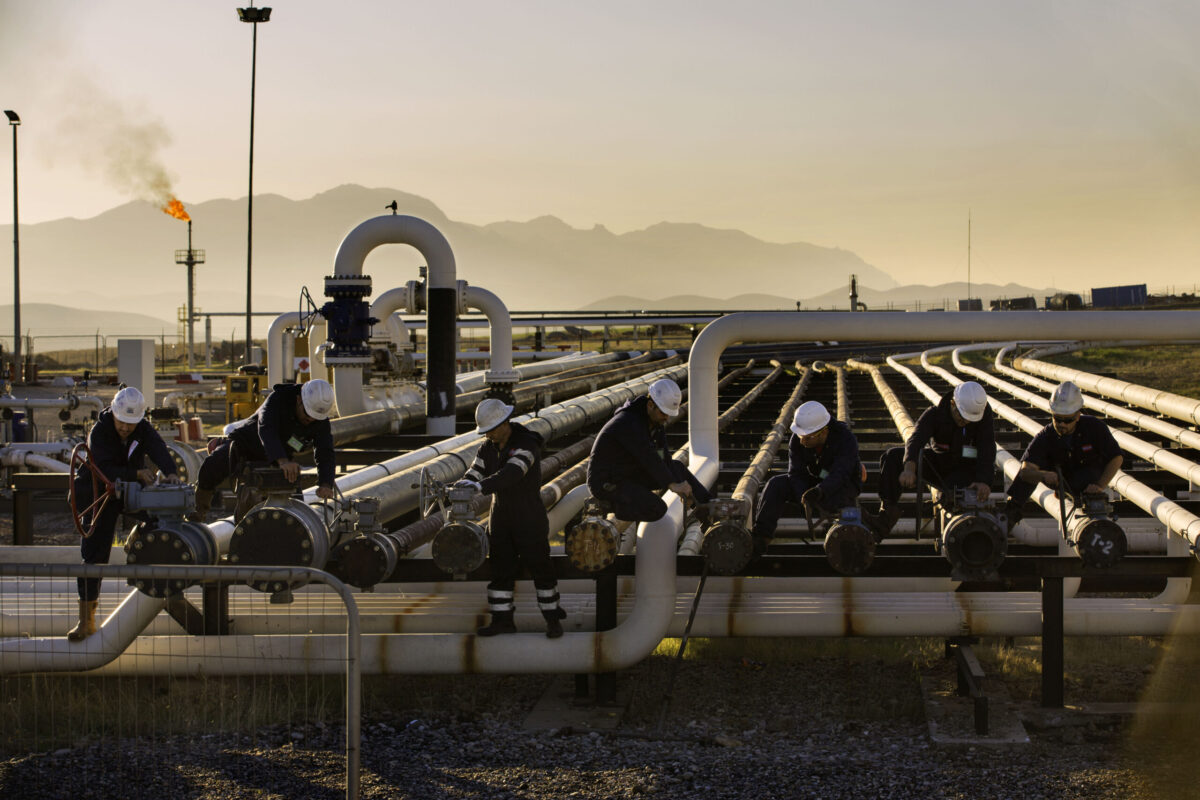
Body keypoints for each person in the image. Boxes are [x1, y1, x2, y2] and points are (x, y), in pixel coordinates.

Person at [68, 386, 181, 641]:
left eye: (131, 424)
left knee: (158, 520)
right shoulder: (99, 431)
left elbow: (158, 447)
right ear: (114, 414)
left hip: (128, 490)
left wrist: (171, 471)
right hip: (100, 494)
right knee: (93, 557)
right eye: (122, 422)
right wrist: (136, 474)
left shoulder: (141, 428)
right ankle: (85, 621)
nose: (126, 428)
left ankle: (138, 539)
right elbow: (103, 466)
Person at [459, 398, 566, 638]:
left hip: (528, 516)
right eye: (485, 432)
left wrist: (479, 487)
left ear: (504, 423)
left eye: (491, 430)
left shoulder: (527, 444)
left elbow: (512, 473)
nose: (488, 436)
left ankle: (552, 619)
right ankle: (502, 621)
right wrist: (462, 484)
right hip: (500, 517)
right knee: (500, 569)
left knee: (540, 567)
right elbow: (475, 471)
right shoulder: (488, 447)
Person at [193, 379, 337, 520]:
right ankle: (198, 511)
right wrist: (282, 460)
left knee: (297, 510)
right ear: (299, 399)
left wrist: (326, 483)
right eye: (307, 414)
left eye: (315, 418)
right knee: (211, 466)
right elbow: (267, 429)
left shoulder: (320, 420)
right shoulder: (278, 399)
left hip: (279, 458)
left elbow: (325, 451)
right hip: (246, 446)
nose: (310, 420)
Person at [874, 381, 995, 538]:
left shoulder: (982, 415)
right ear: (952, 403)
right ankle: (886, 516)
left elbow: (987, 448)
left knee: (954, 494)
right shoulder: (935, 414)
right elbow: (916, 440)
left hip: (966, 470)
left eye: (970, 419)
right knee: (892, 457)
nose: (965, 422)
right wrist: (909, 468)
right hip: (939, 463)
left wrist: (984, 480)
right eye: (961, 416)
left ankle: (964, 532)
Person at [586, 377, 711, 523]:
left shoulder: (654, 423)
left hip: (626, 474)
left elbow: (664, 459)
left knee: (677, 468)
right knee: (656, 508)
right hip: (607, 483)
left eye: (669, 414)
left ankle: (710, 510)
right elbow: (648, 457)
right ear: (651, 405)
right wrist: (672, 484)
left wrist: (686, 490)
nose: (666, 418)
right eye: (663, 413)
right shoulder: (628, 422)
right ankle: (610, 506)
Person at [1004, 380, 1123, 525]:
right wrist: (1043, 475)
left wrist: (1099, 485)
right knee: (1026, 480)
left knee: (1089, 472)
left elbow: (1116, 457)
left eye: (1067, 420)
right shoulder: (1046, 436)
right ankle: (1006, 519)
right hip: (1060, 480)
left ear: (1078, 416)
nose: (1061, 424)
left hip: (1088, 482)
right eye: (1057, 419)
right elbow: (1025, 472)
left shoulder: (1094, 428)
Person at [751, 400, 863, 552]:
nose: (802, 441)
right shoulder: (798, 439)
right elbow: (796, 473)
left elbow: (841, 473)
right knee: (776, 484)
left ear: (824, 432)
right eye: (799, 435)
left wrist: (820, 491)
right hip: (815, 483)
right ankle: (760, 540)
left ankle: (842, 540)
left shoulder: (845, 439)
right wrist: (803, 496)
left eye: (807, 437)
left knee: (841, 492)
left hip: (842, 486)